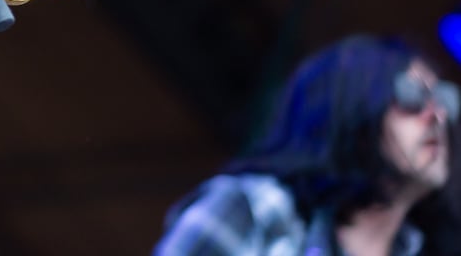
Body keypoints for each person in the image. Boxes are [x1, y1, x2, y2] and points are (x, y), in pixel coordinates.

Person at [153, 34, 460, 256]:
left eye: (444, 99)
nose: (437, 115)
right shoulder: (256, 211)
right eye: (412, 96)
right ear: (352, 107)